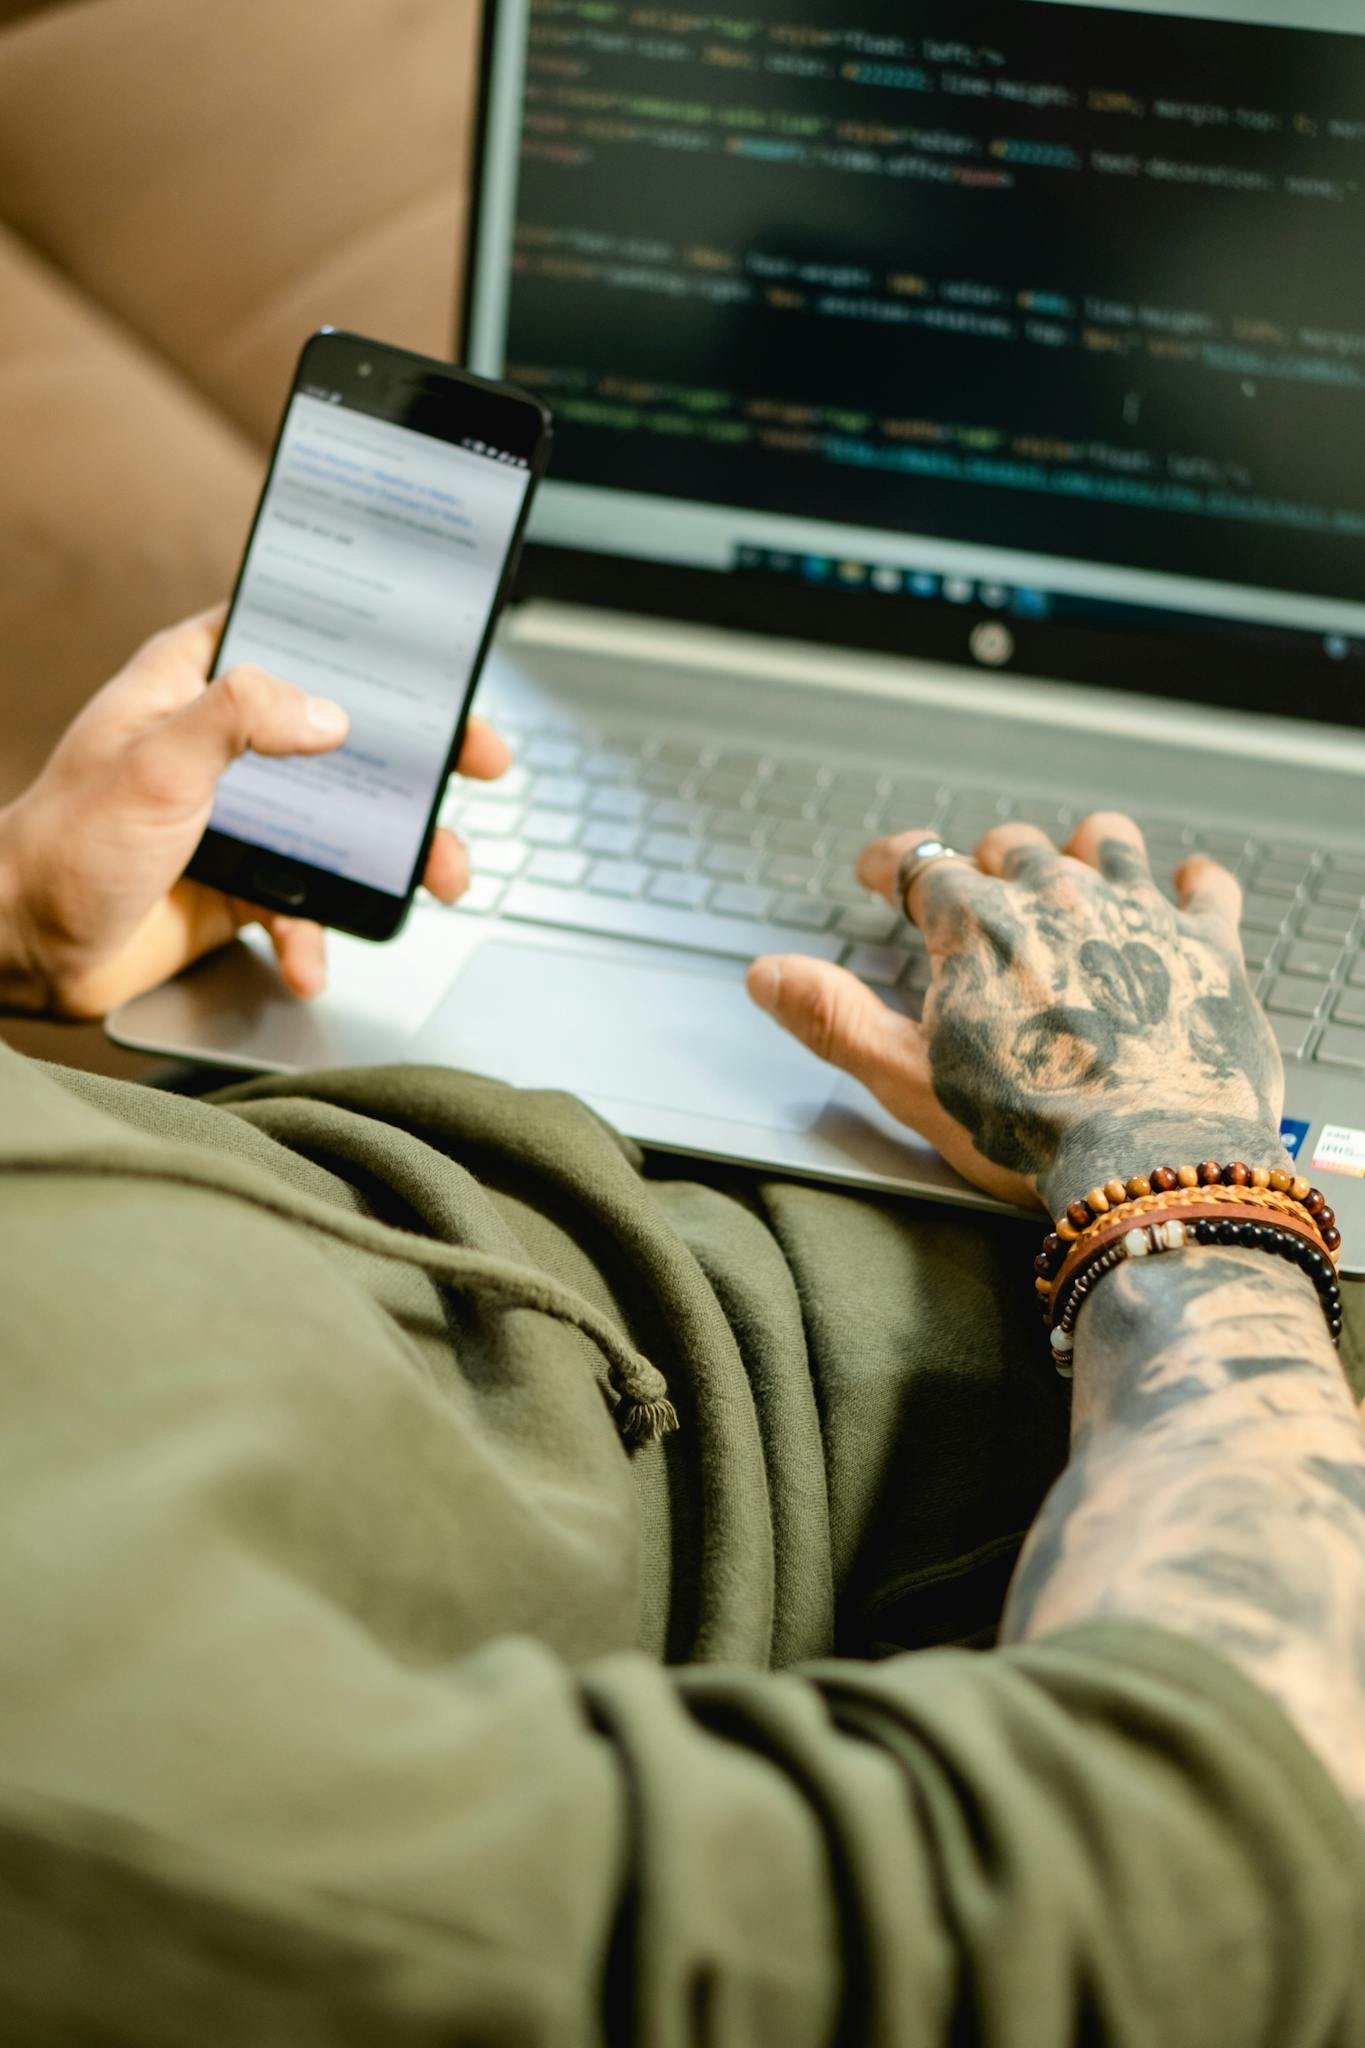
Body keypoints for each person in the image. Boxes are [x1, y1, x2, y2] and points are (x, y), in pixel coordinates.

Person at [0, 608, 1362, 2045]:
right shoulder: (97, 1821)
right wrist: (1172, 1153)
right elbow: (1200, 1861)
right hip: (1073, 1385)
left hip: (374, 1138)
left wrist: (21, 911)